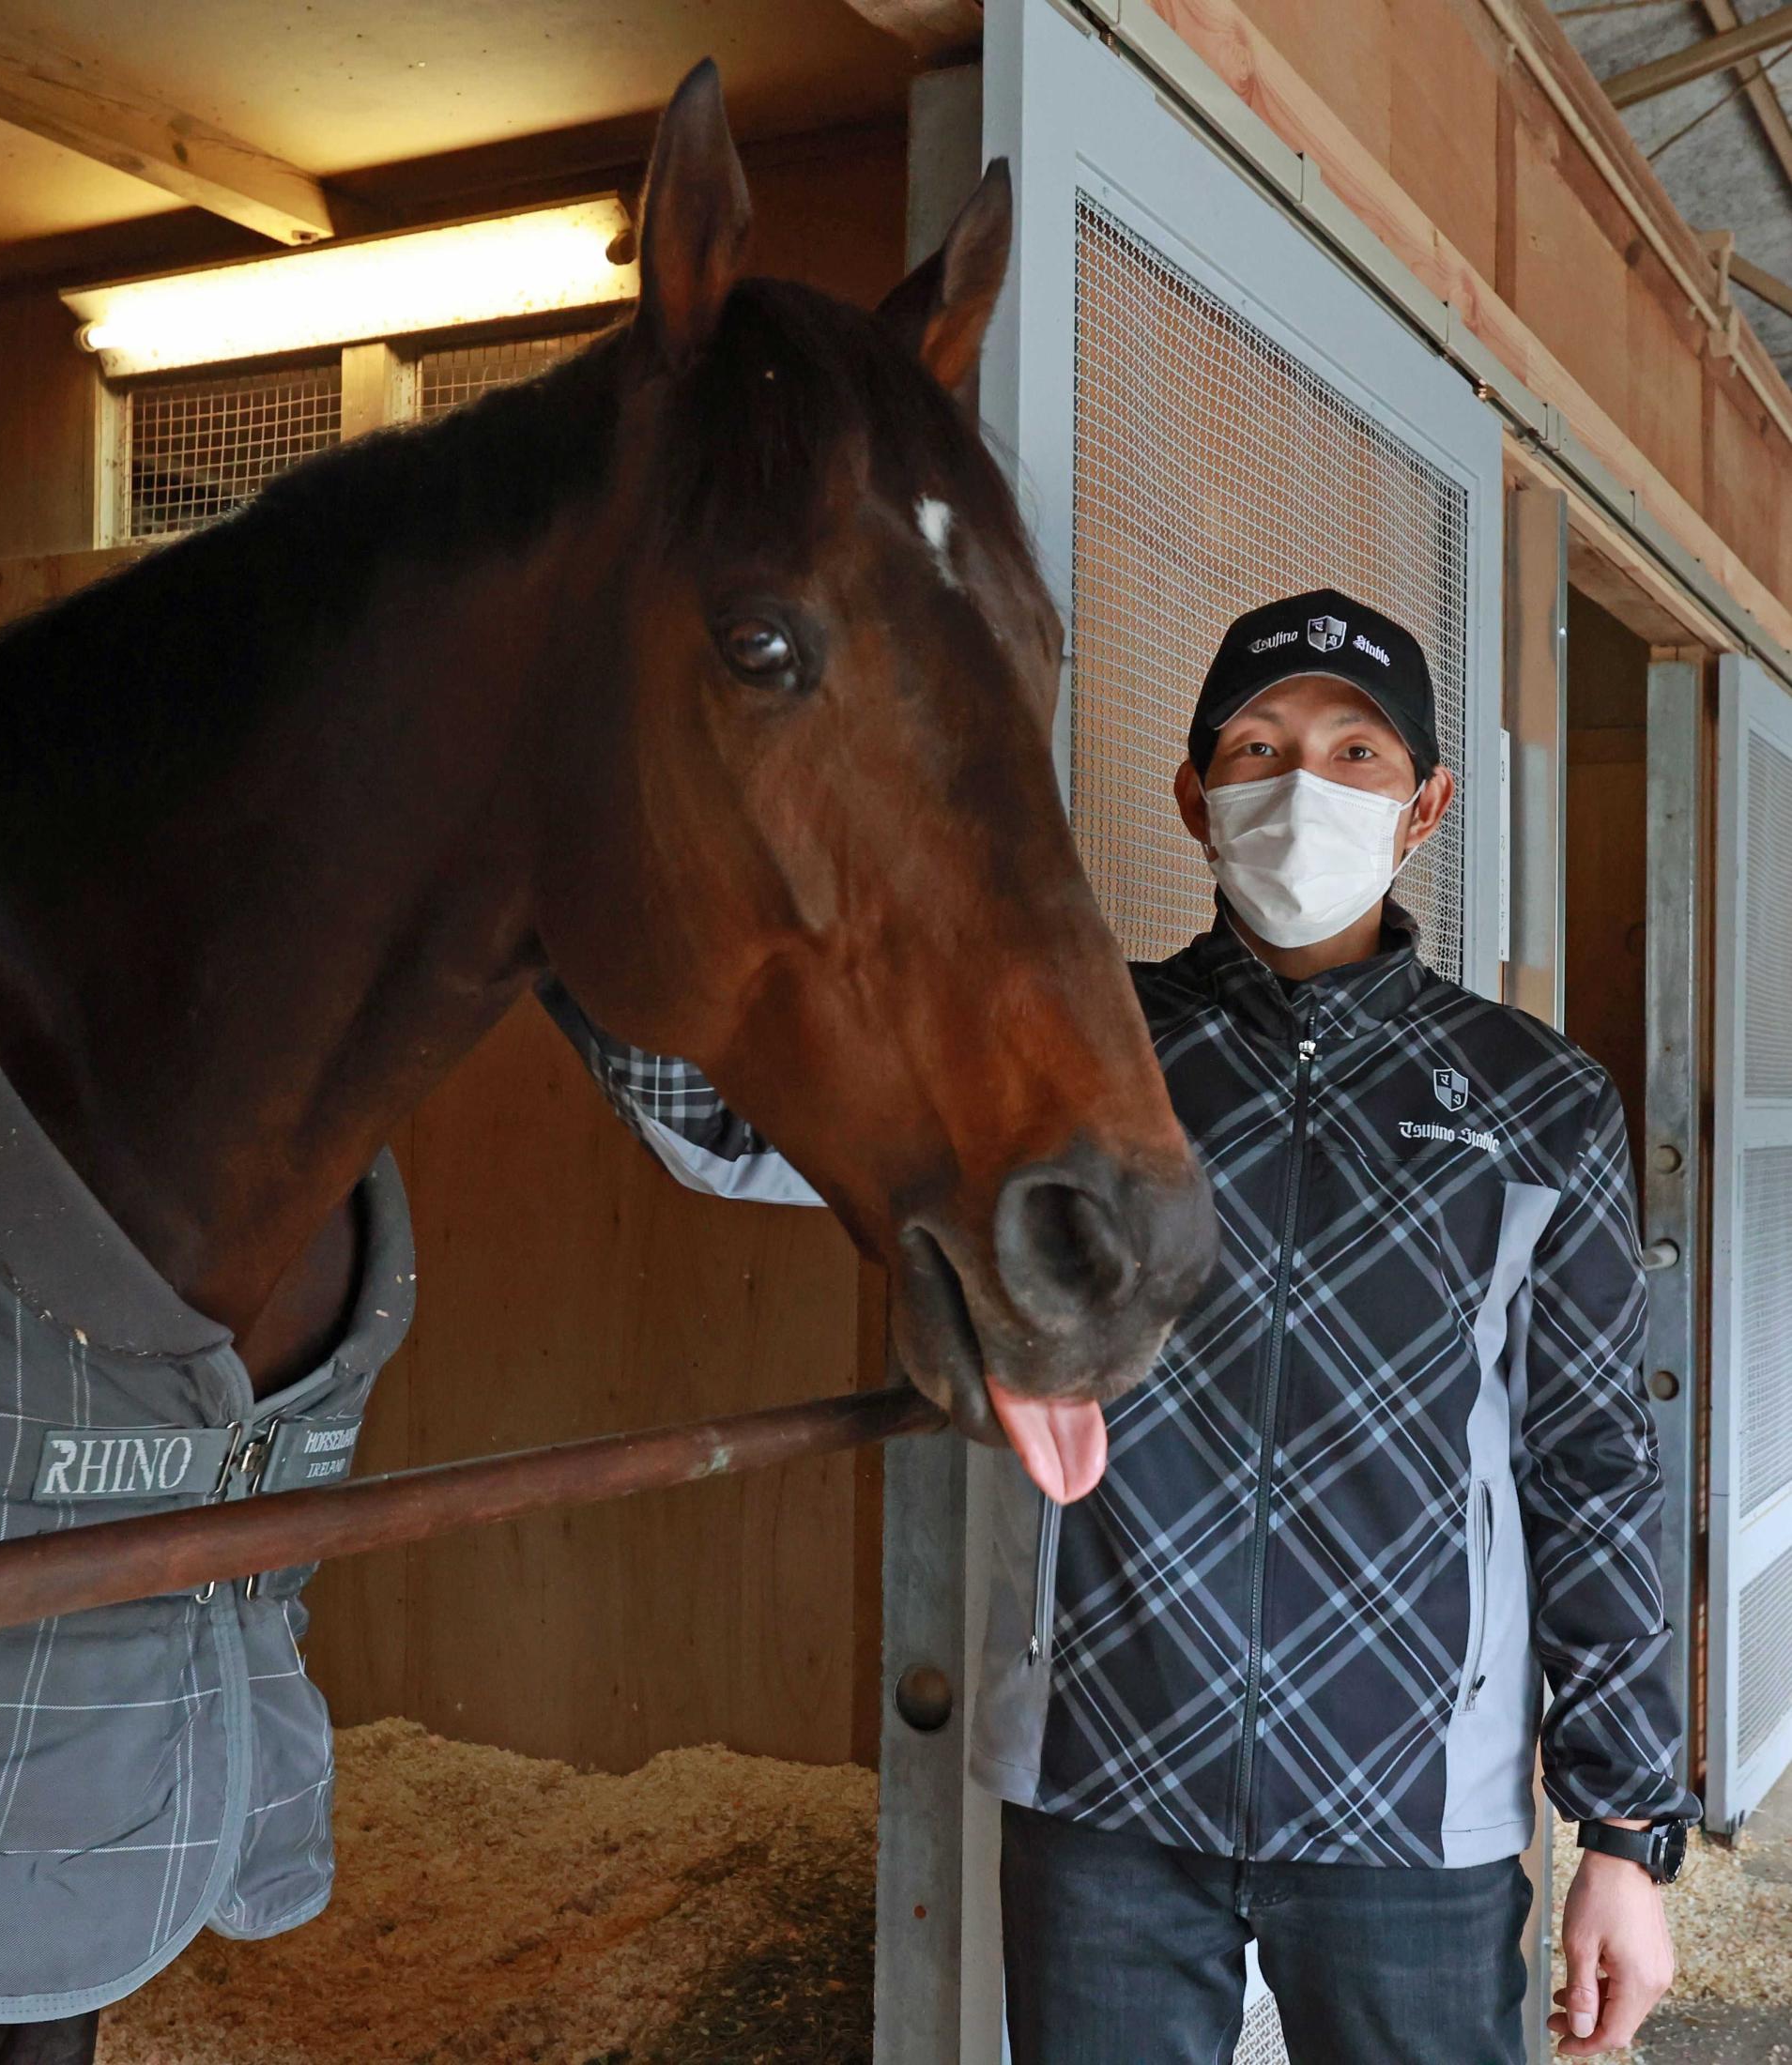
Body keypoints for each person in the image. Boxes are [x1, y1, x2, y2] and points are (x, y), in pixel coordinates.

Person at [541, 586, 1697, 2064]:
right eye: (1258, 749)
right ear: (1194, 796)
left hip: (1414, 1806)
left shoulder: (1535, 1101)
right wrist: (571, 891)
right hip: (1104, 1782)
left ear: (1426, 807)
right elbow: (734, 1126)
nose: (1302, 788)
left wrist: (1623, 1828)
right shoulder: (1069, 1048)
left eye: (1356, 755)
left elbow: (1593, 1462)